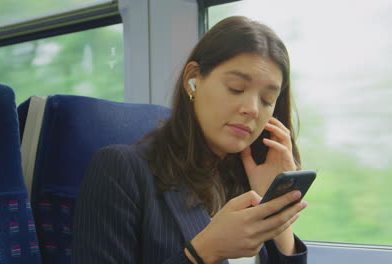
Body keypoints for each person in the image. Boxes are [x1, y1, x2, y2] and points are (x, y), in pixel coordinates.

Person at [73, 16, 308, 264]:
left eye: (267, 100)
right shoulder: (121, 170)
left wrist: (277, 205)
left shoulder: (251, 181)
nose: (252, 109)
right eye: (236, 88)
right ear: (192, 80)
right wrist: (203, 252)